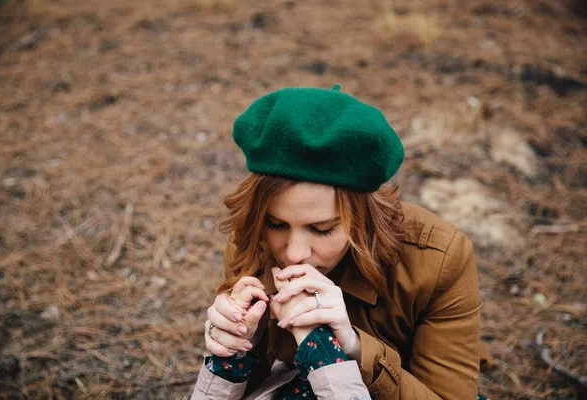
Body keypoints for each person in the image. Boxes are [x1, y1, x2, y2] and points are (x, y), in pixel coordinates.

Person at [191, 85, 486, 400]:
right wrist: (239, 344)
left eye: (321, 229)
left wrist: (356, 349)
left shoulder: (439, 258)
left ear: (363, 220)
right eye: (276, 224)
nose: (294, 253)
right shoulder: (253, 242)